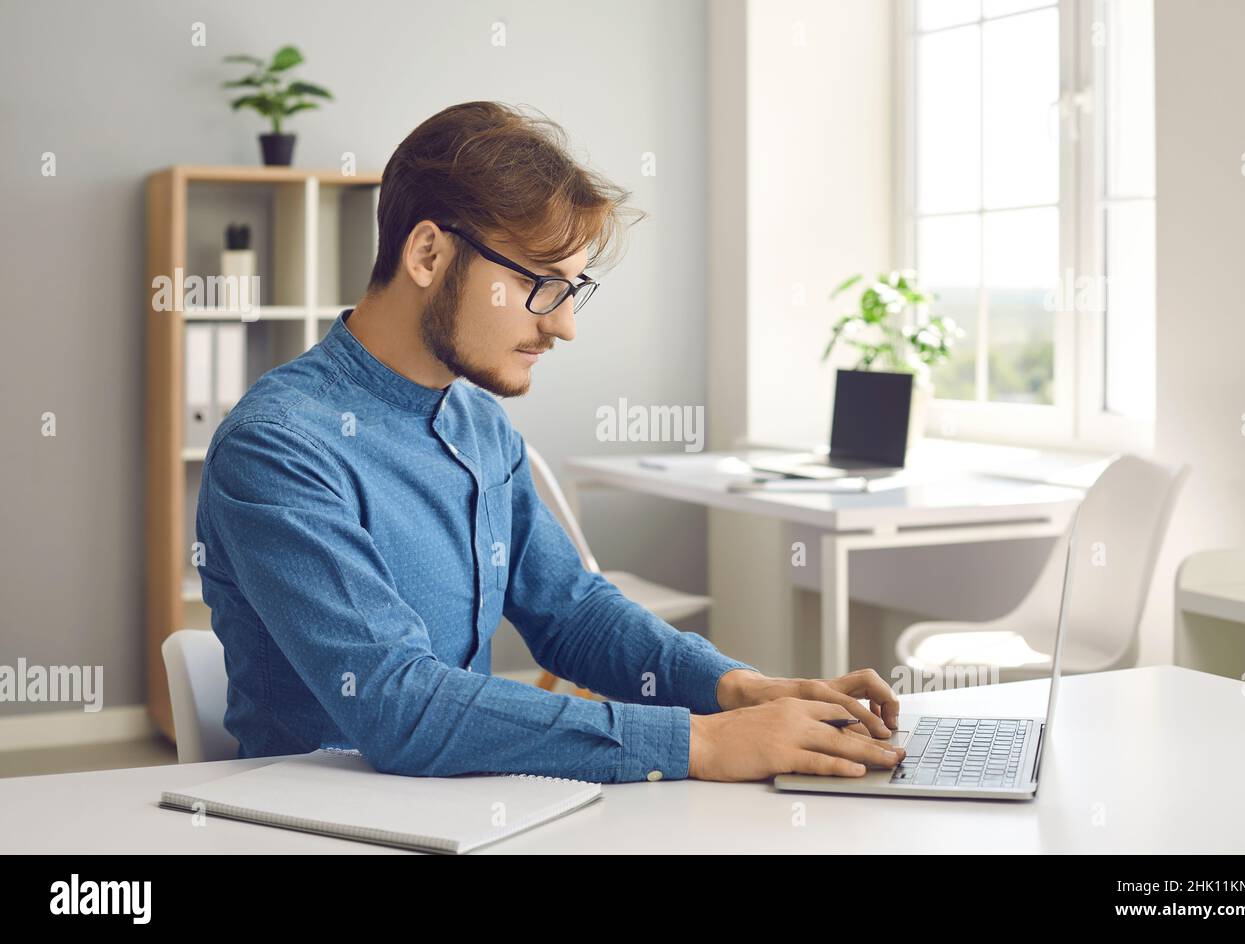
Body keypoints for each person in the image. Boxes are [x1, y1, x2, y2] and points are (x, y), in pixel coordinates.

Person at [196, 101, 904, 783]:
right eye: (540, 284)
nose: (564, 326)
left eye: (573, 288)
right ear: (427, 253)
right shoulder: (278, 448)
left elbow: (572, 613)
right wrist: (701, 741)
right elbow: (397, 703)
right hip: (316, 821)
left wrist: (738, 690)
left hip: (455, 802)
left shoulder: (480, 425)